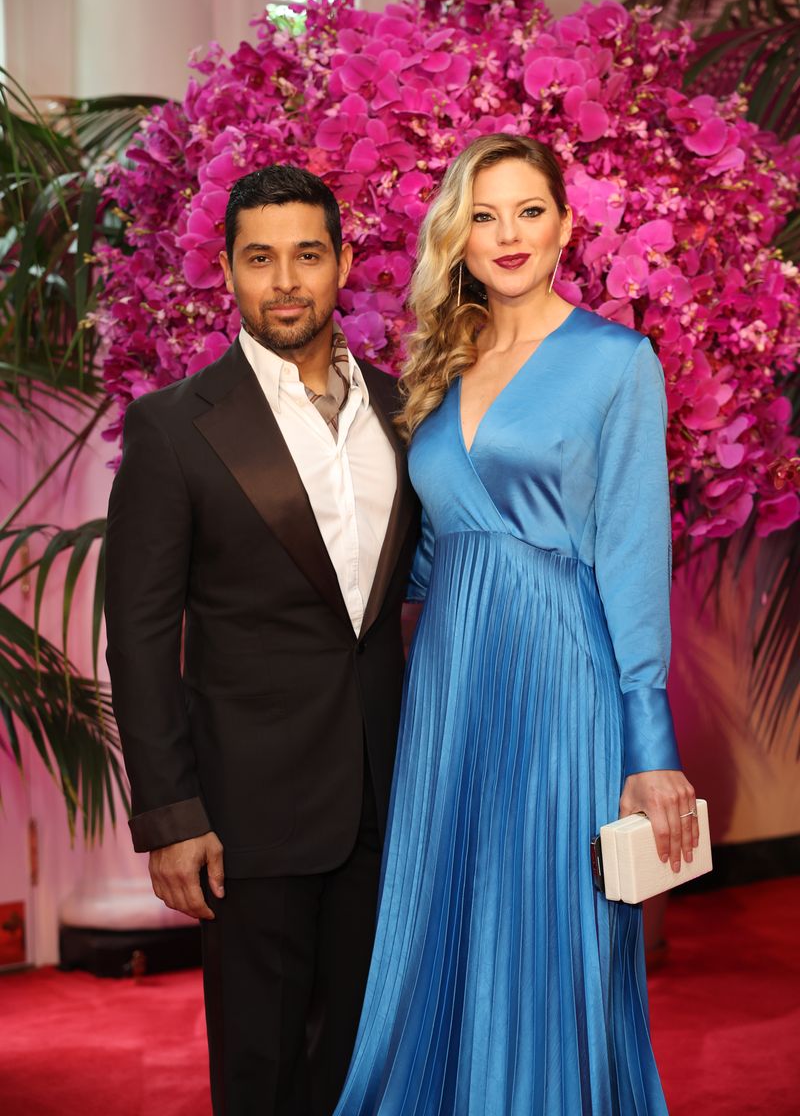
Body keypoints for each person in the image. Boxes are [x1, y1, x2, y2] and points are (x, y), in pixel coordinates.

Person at [333, 134, 698, 1115]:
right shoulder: (435, 370)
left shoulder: (614, 363)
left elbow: (628, 555)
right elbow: (419, 552)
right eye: (484, 214)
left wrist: (646, 743)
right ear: (458, 233)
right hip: (449, 679)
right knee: (442, 926)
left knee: (548, 923)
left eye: (528, 210)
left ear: (564, 224)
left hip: (558, 668)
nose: (507, 234)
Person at [104, 165, 418, 1116]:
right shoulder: (173, 427)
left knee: (366, 1062)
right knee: (263, 1070)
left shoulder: (404, 409)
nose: (286, 280)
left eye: (308, 256)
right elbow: (141, 636)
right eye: (260, 258)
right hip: (246, 816)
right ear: (228, 273)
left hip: (387, 795)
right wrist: (170, 815)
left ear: (344, 265)